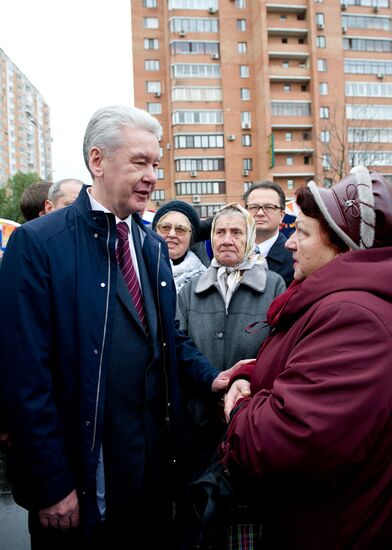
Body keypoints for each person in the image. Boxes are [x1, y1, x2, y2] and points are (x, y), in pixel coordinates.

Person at [0, 105, 242, 550]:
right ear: (98, 161)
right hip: (83, 474)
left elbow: (170, 338)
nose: (152, 175)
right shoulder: (38, 245)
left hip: (149, 473)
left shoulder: (150, 246)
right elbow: (23, 377)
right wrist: (53, 482)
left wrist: (213, 378)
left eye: (155, 163)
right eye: (139, 162)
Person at [221, 165, 392, 549]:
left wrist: (240, 410)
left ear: (341, 245)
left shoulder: (353, 317)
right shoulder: (335, 304)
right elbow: (306, 366)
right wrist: (249, 373)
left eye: (302, 232)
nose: (289, 244)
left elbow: (290, 441)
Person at [177, 202, 286, 373]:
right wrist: (210, 380)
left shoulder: (274, 286)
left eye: (236, 233)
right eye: (220, 232)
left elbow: (279, 347)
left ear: (249, 238)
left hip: (253, 395)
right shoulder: (190, 290)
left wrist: (243, 380)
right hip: (201, 394)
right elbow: (180, 347)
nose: (227, 241)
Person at [244, 181, 294, 286]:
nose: (260, 213)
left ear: (282, 215)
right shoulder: (230, 251)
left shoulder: (295, 260)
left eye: (269, 207)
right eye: (253, 207)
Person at [152, 200, 207, 293]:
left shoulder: (205, 281)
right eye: (165, 227)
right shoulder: (138, 271)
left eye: (180, 229)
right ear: (155, 232)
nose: (172, 234)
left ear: (191, 237)